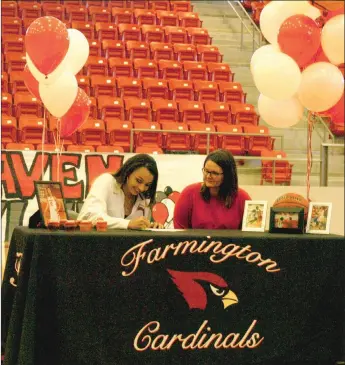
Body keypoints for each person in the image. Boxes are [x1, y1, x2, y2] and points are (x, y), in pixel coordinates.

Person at [78, 154, 163, 230]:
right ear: (128, 172)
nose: (141, 188)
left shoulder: (145, 198)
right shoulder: (106, 181)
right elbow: (90, 216)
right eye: (138, 180)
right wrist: (128, 224)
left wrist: (151, 227)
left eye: (147, 185)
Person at [173, 149, 251, 229]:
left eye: (214, 173)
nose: (208, 176)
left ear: (227, 175)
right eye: (206, 171)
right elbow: (179, 231)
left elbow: (251, 234)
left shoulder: (242, 198)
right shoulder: (189, 193)